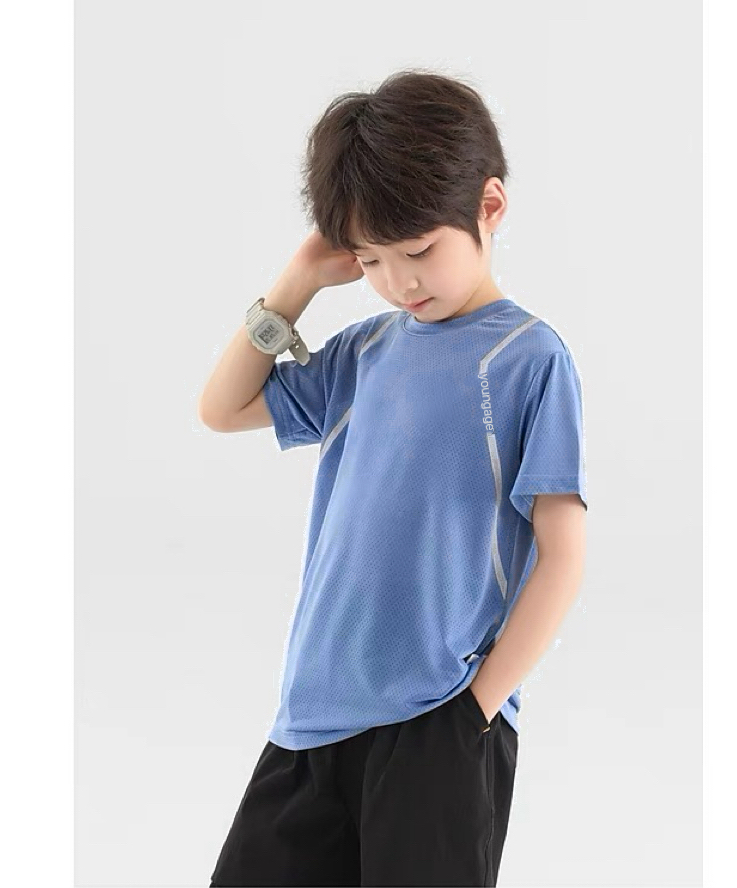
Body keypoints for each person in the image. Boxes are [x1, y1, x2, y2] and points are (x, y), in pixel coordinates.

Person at [198, 68, 588, 887]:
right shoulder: (362, 354)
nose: (398, 283)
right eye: (371, 259)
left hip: (436, 721)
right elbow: (222, 408)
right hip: (310, 718)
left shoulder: (526, 359)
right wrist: (299, 279)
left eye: (417, 252)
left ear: (489, 205)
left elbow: (561, 552)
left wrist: (477, 707)